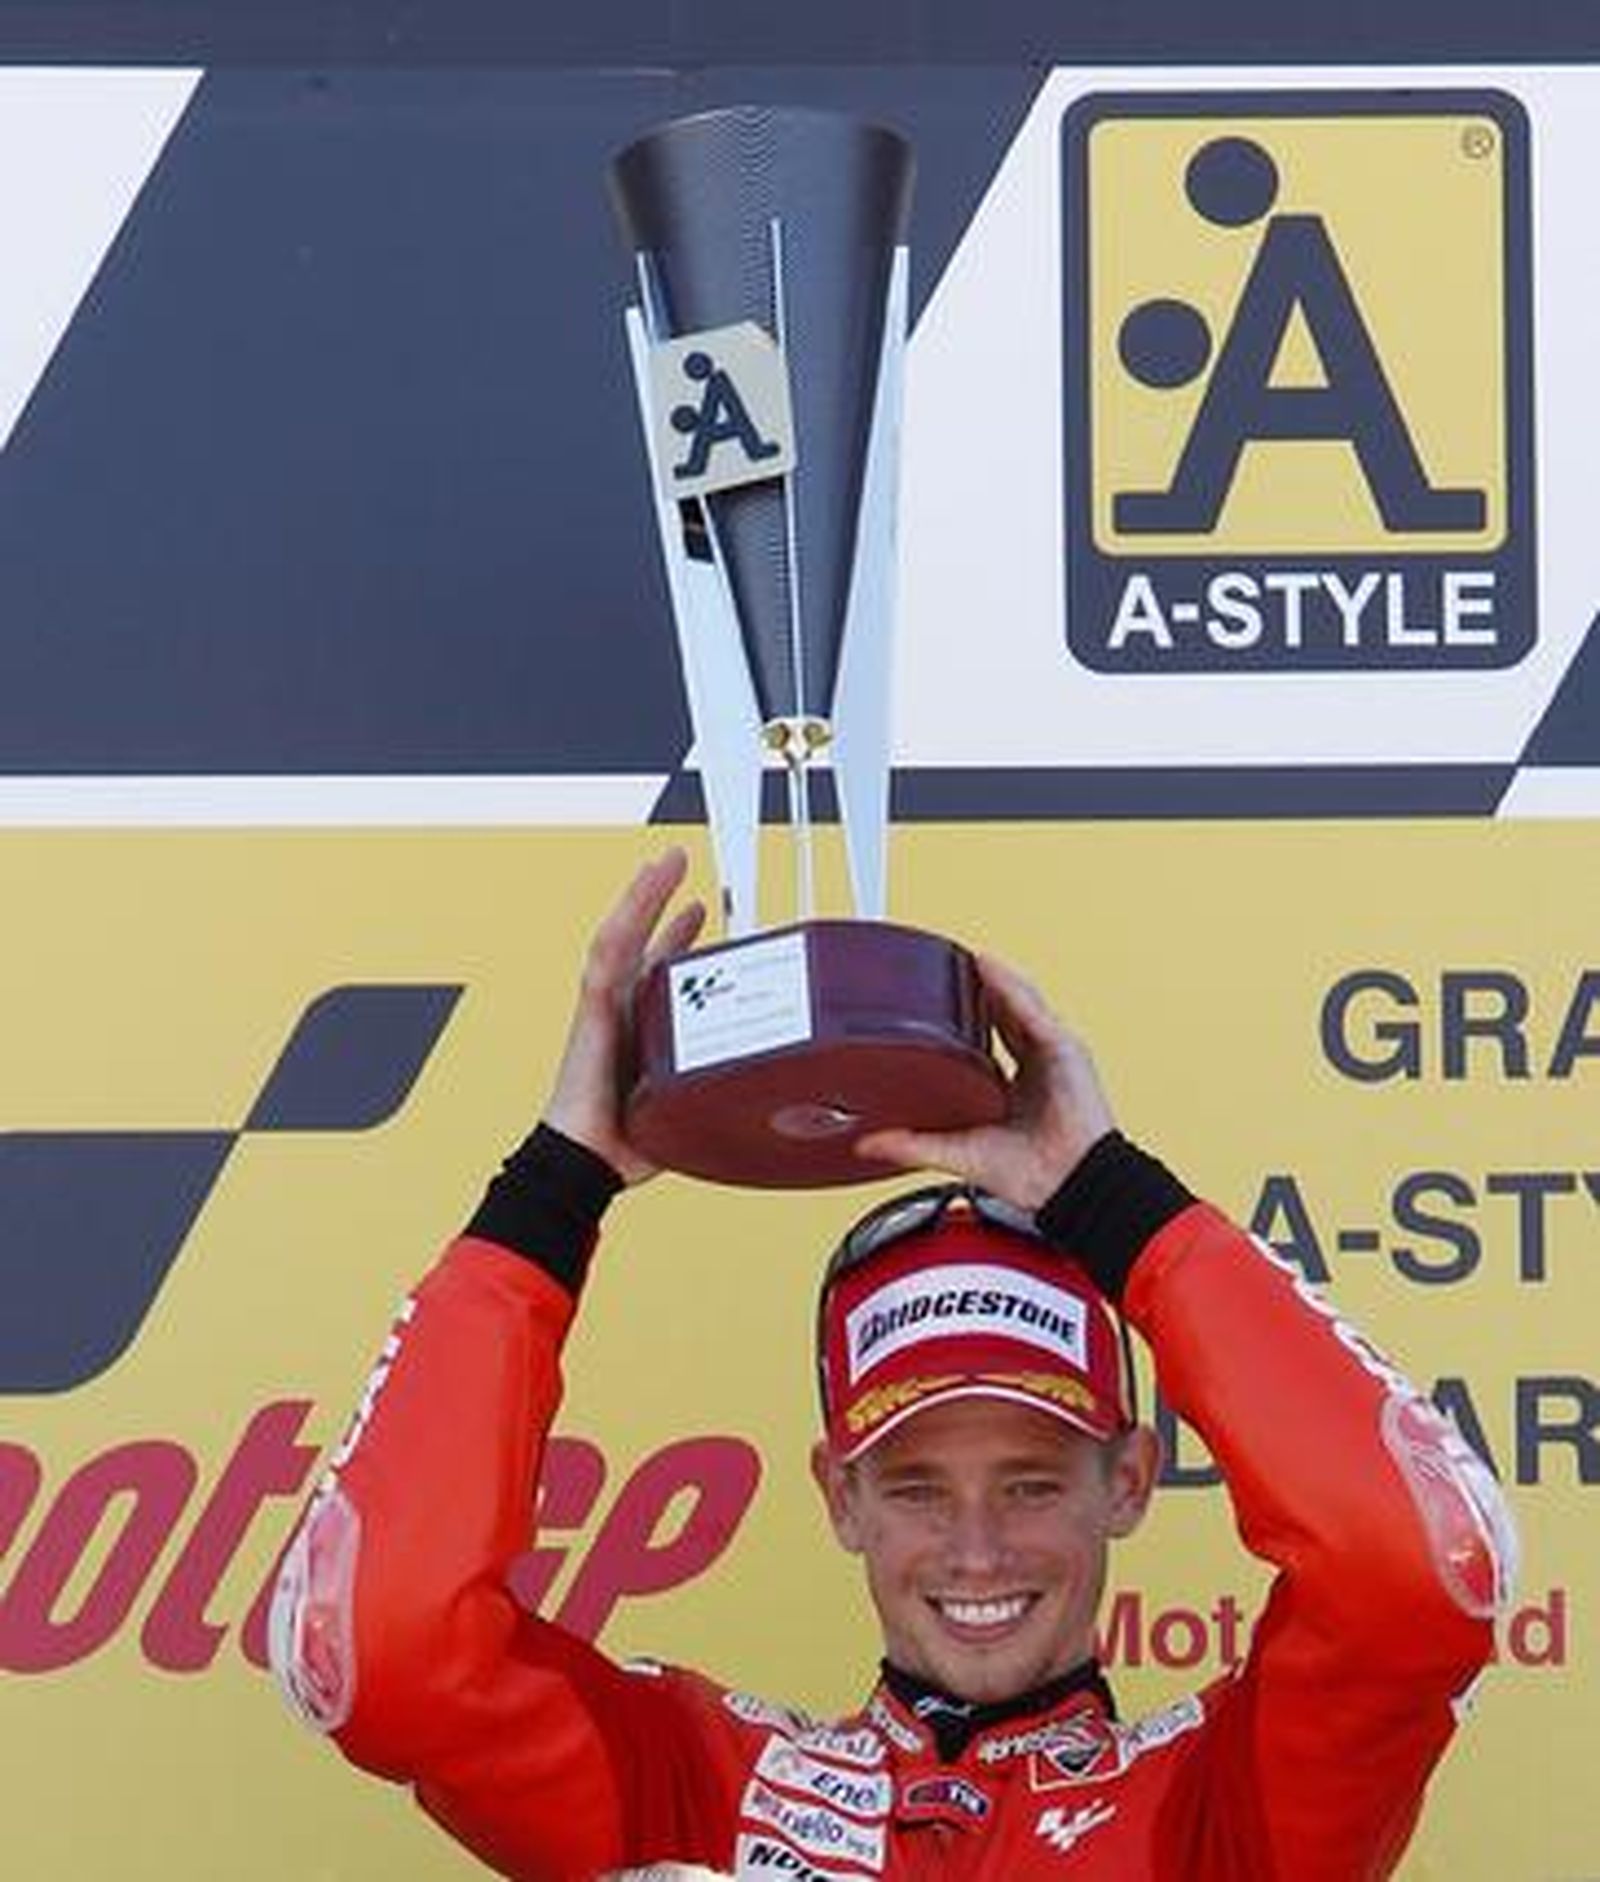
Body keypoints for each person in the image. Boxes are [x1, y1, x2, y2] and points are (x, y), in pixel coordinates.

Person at [270, 850, 1517, 1879]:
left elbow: (1416, 1569)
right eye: (917, 1485)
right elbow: (377, 1648)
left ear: (1129, 1480)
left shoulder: (1217, 1816)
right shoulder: (694, 1793)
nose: (976, 1550)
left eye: (1030, 1481)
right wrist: (556, 1185)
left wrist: (1114, 1200)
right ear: (840, 1495)